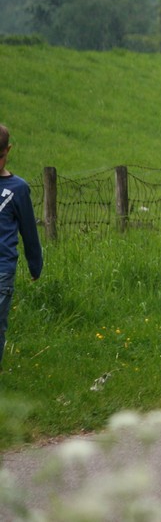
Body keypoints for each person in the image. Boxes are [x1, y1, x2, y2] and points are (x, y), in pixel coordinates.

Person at [0, 125, 44, 371]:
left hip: (2, 269)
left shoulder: (18, 189)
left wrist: (35, 264)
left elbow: (29, 231)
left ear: (8, 150)